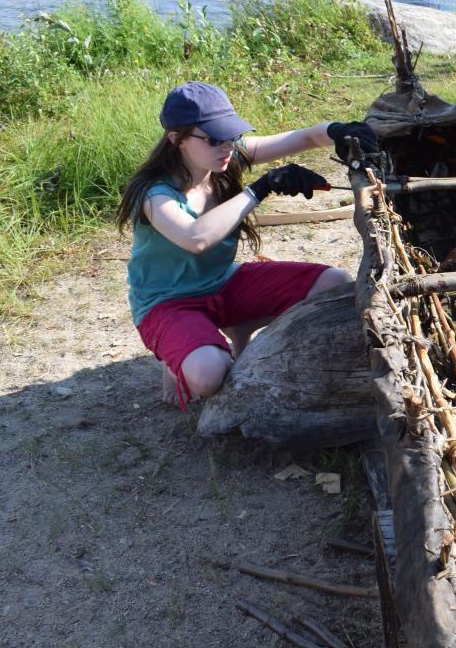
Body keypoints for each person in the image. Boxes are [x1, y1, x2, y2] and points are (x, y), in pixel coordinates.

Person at [115, 81, 376, 406]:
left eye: (230, 135)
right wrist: (261, 187)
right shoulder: (155, 194)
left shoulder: (226, 155)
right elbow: (196, 238)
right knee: (209, 374)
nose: (226, 146)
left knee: (334, 284)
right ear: (176, 139)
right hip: (168, 303)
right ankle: (174, 354)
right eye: (214, 139)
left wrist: (339, 131)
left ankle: (240, 324)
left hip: (223, 283)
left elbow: (307, 137)